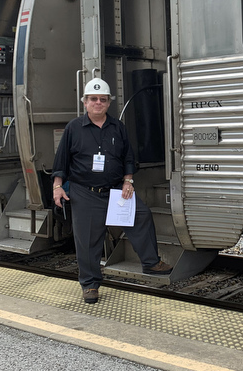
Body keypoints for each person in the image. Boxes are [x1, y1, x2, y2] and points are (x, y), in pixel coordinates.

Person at [52, 77, 172, 304]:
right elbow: (61, 162)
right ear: (85, 102)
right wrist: (58, 187)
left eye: (103, 99)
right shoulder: (73, 128)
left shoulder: (118, 127)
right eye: (93, 99)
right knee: (87, 241)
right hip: (84, 192)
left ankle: (151, 262)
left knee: (142, 216)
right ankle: (90, 285)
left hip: (116, 190)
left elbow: (128, 158)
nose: (98, 103)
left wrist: (128, 181)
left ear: (109, 103)